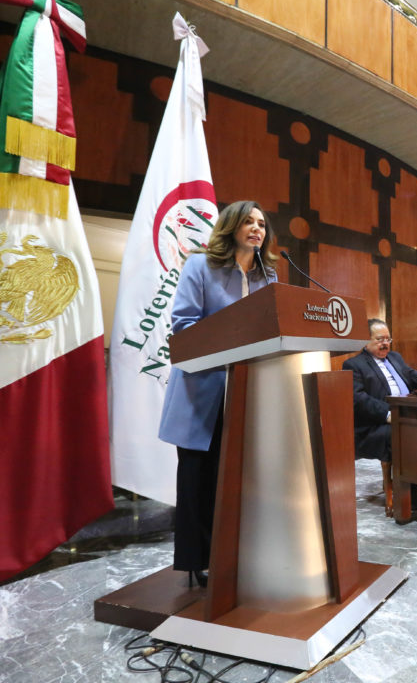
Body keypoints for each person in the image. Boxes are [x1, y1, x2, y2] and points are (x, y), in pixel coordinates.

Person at [158, 200, 278, 586]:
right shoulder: (201, 265)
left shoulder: (268, 276)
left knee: (243, 477)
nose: (256, 228)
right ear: (230, 227)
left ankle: (241, 551)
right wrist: (237, 341)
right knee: (200, 477)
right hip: (203, 388)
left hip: (249, 389)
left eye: (261, 223)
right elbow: (185, 324)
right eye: (248, 221)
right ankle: (200, 558)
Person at [344, 318, 417, 515]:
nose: (385, 344)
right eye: (380, 339)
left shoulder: (395, 357)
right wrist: (387, 413)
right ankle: (409, 492)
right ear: (366, 340)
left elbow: (412, 374)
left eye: (388, 339)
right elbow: (358, 399)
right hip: (374, 425)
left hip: (404, 417)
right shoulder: (354, 364)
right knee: (405, 434)